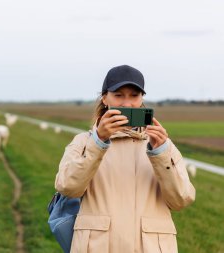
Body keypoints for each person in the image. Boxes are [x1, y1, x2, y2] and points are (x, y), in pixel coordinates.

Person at [54, 65, 195, 253]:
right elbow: (68, 188)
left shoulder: (162, 145)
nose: (127, 104)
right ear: (105, 98)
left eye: (134, 95)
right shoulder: (83, 142)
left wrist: (160, 152)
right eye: (118, 95)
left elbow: (180, 200)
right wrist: (99, 142)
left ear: (141, 99)